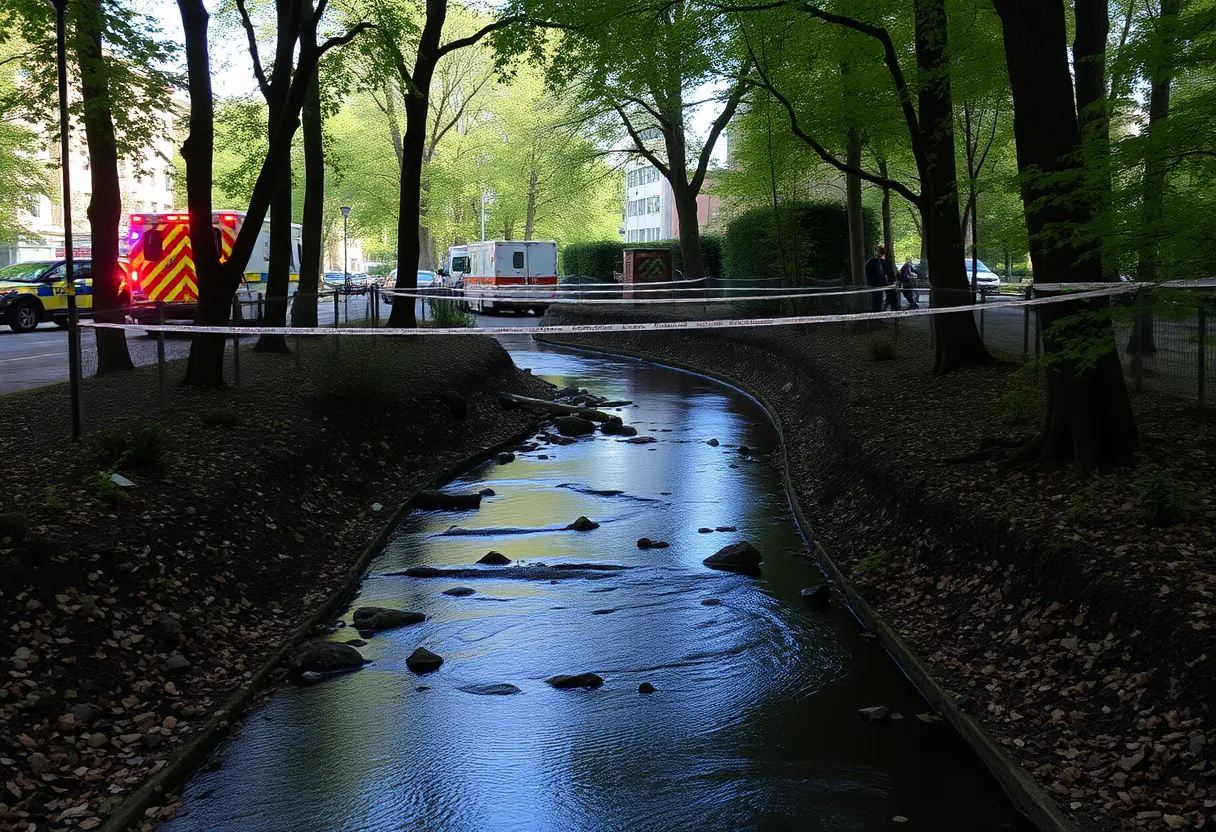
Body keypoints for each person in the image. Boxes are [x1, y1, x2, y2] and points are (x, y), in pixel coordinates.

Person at [864, 245, 888, 313]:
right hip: (876, 285)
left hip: (877, 284)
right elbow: (878, 274)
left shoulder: (878, 261)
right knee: (876, 301)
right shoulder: (873, 262)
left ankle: (877, 313)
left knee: (878, 300)